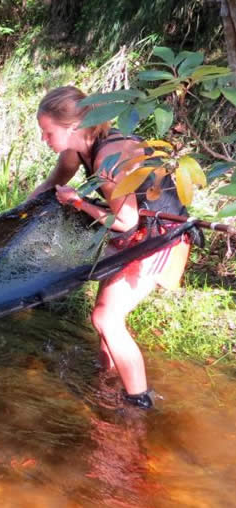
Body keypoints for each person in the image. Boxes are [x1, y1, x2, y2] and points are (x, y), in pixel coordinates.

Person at [30, 86, 191, 409]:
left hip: (162, 236)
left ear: (72, 128)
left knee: (106, 318)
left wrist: (78, 203)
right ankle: (109, 384)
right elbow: (48, 187)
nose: (44, 140)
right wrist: (13, 216)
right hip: (136, 232)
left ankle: (138, 404)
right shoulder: (77, 149)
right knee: (105, 318)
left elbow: (126, 221)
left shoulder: (107, 159)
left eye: (48, 133)